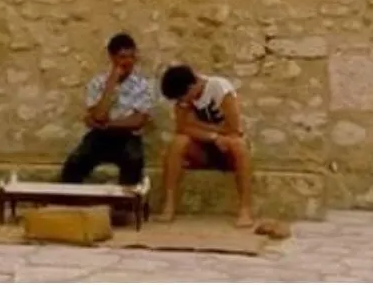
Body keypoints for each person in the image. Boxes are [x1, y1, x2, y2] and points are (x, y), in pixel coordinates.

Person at [158, 63, 255, 227]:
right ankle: (169, 204)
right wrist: (213, 136)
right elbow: (182, 127)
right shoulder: (184, 101)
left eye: (182, 97)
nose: (182, 102)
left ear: (192, 86)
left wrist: (197, 126)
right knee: (178, 142)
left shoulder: (219, 88)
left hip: (227, 147)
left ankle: (245, 209)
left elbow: (234, 128)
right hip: (204, 147)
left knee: (239, 145)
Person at [59, 32, 154, 186]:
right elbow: (99, 115)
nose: (128, 62)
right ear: (112, 58)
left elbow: (138, 120)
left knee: (134, 161)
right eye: (123, 57)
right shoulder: (98, 83)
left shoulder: (142, 85)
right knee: (75, 161)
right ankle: (70, 204)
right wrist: (111, 84)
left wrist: (108, 124)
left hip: (128, 137)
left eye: (131, 57)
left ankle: (124, 207)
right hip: (101, 136)